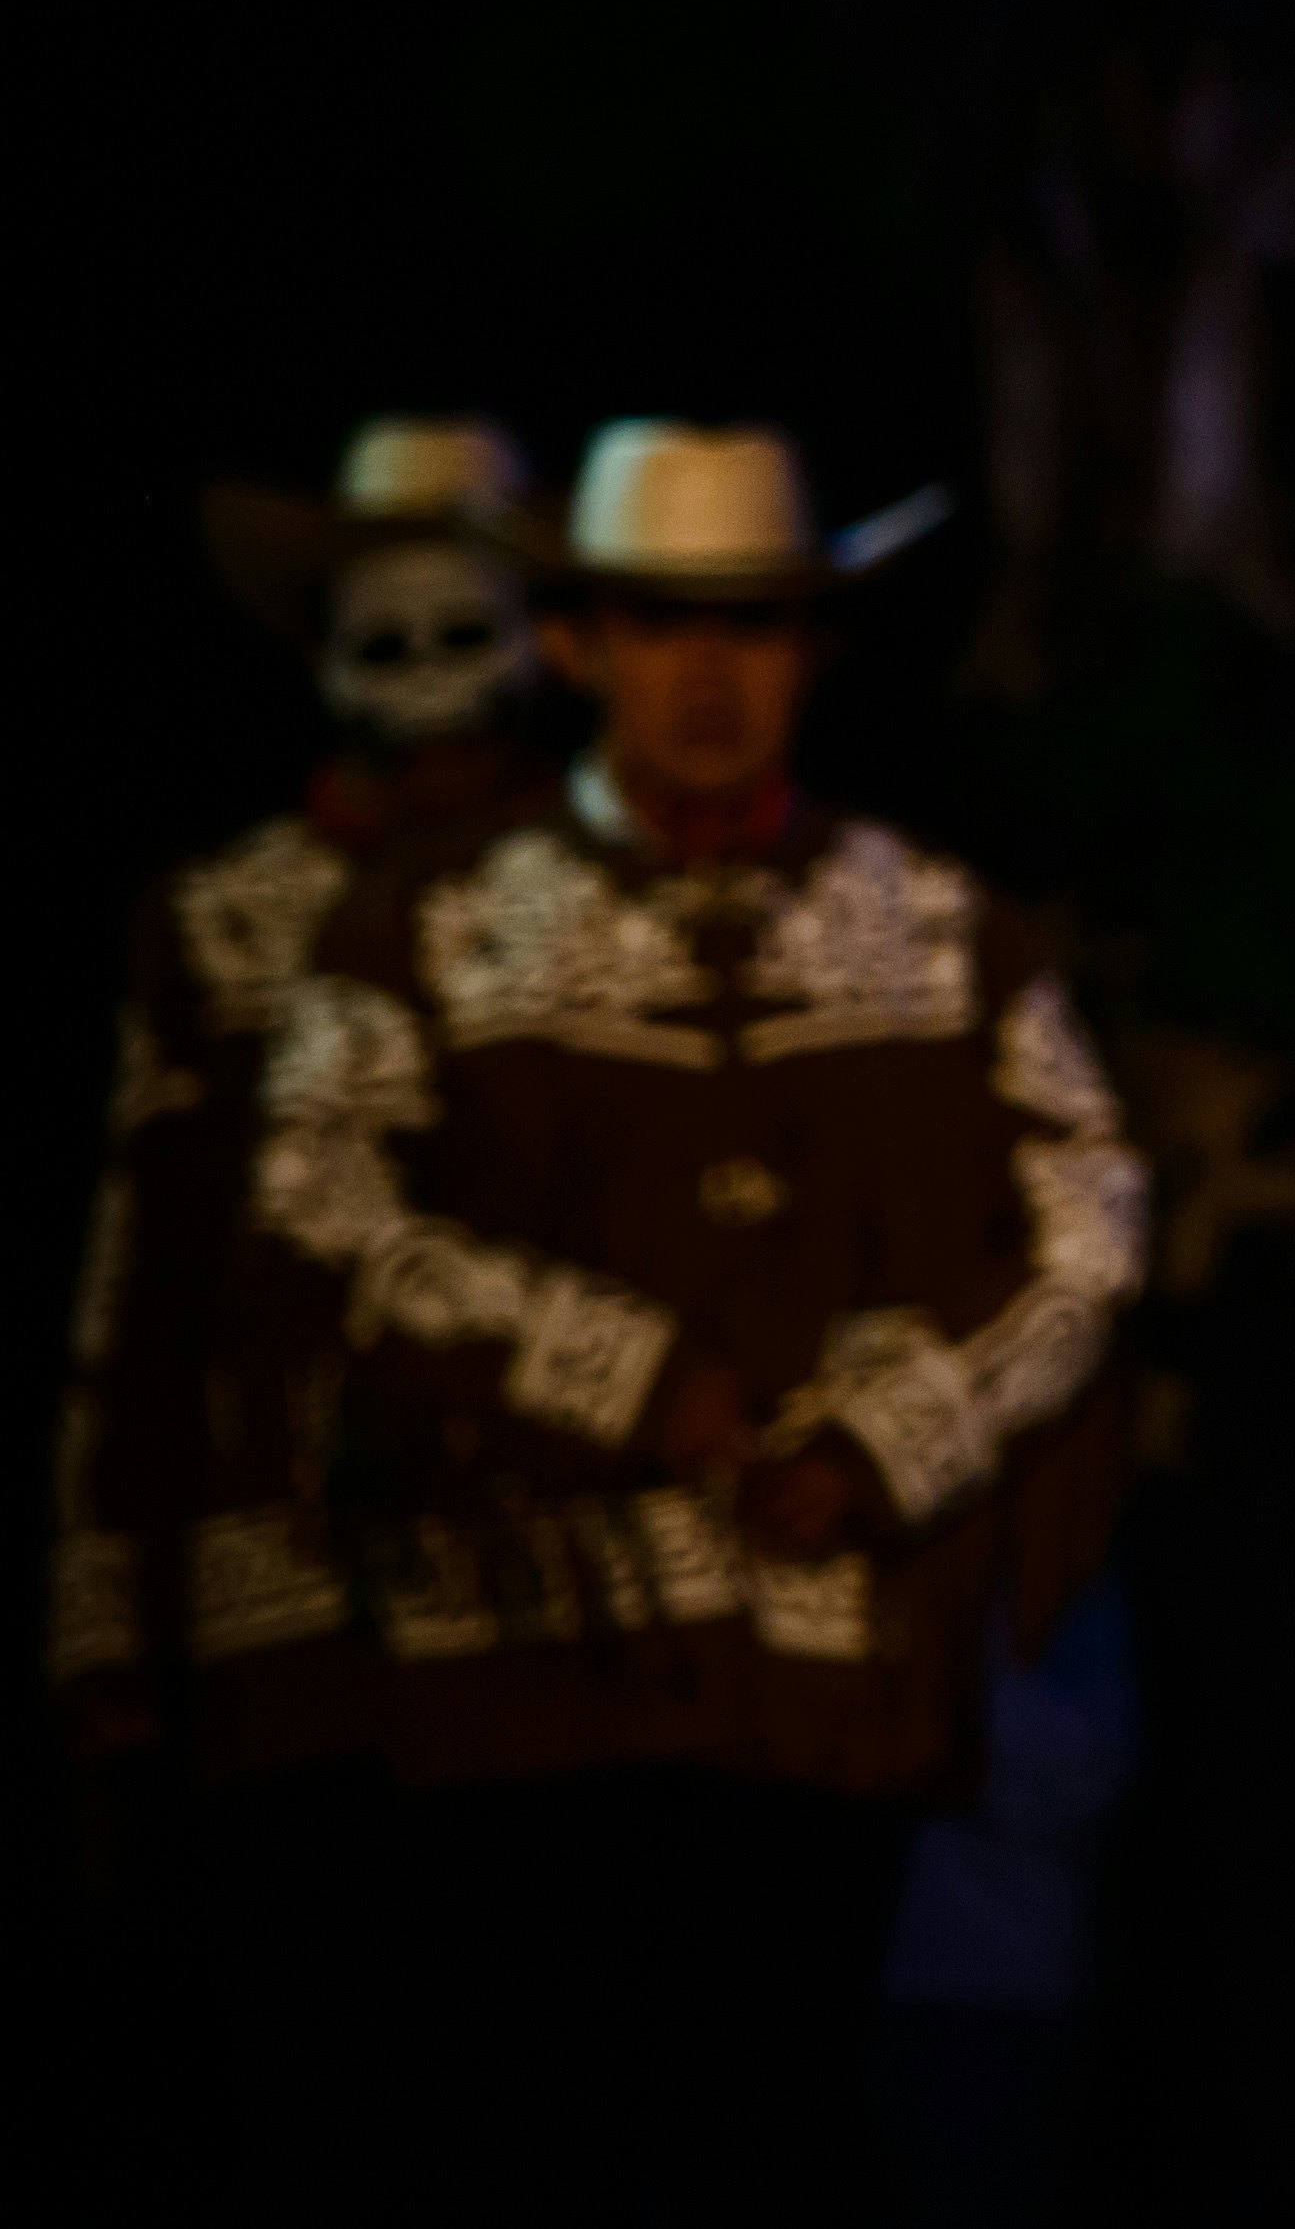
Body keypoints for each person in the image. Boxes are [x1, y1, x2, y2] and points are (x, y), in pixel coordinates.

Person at [241, 418, 1132, 2221]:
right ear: (573, 645)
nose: (710, 673)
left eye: (754, 623)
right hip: (525, 1668)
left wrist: (899, 1445)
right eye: (662, 621)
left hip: (830, 1687)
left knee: (788, 2122)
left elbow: (1094, 1227)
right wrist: (608, 1370)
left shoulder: (948, 930)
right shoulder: (424, 926)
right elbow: (314, 1198)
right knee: (551, 2125)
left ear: (815, 648)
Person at [48, 417, 552, 2209]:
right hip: (282, 1614)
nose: (426, 684)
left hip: (552, 1620)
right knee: (316, 2097)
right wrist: (104, 1618)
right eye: (384, 633)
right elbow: (145, 1264)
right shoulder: (218, 916)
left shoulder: (610, 901)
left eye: (463, 625)